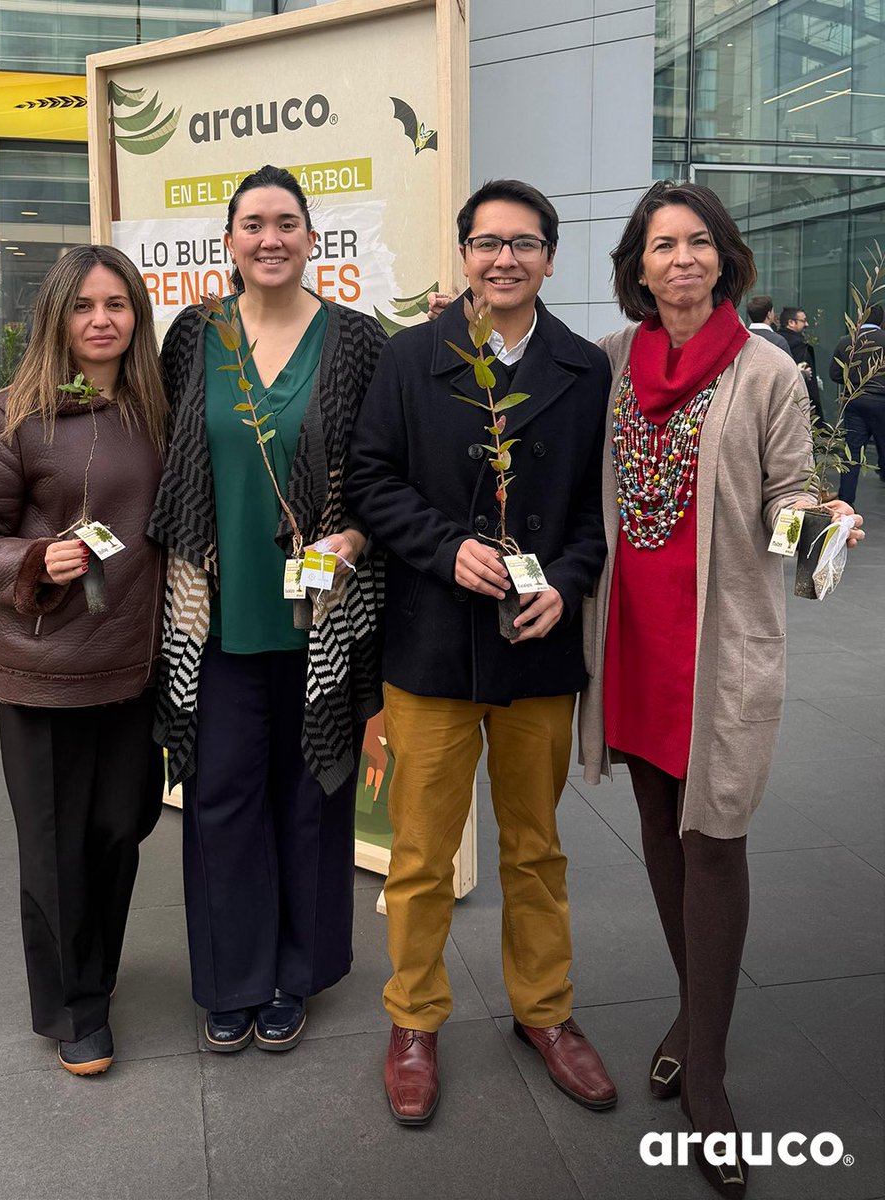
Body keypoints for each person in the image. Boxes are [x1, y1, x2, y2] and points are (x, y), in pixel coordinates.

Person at [579, 180, 864, 1197]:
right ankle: (697, 1014)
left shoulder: (768, 369)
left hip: (720, 639)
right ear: (638, 266)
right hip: (633, 638)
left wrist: (820, 524)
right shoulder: (611, 365)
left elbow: (789, 493)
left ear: (725, 258)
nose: (683, 260)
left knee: (717, 837)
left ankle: (706, 1066)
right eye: (664, 246)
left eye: (700, 243)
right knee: (661, 824)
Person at [346, 179, 616, 1125]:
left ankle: (546, 1012)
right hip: (430, 645)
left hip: (535, 651)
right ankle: (413, 1020)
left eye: (525, 243)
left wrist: (567, 583)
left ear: (551, 256)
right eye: (487, 242)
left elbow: (593, 515)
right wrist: (440, 545)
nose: (505, 258)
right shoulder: (412, 357)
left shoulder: (584, 369)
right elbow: (369, 479)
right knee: (419, 853)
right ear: (463, 253)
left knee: (536, 849)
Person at [149, 165, 385, 1056]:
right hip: (211, 617)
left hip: (319, 620)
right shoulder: (193, 337)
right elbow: (162, 447)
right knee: (220, 800)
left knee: (311, 795)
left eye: (287, 222)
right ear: (229, 242)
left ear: (313, 238)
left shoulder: (357, 341)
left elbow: (380, 470)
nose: (270, 237)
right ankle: (233, 978)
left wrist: (353, 541)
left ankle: (295, 973)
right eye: (253, 223)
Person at [0, 245, 169, 1076]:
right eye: (84, 305)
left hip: (136, 667)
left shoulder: (156, 410)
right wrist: (34, 564)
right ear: (56, 317)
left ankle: (95, 969)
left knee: (120, 829)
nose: (101, 319)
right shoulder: (10, 416)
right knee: (56, 846)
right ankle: (74, 1007)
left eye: (117, 304)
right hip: (45, 671)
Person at [830, 302, 885, 503]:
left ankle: (846, 498)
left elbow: (835, 373)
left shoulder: (846, 341)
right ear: (882, 320)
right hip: (881, 401)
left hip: (855, 401)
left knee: (851, 451)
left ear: (860, 319)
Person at [779, 305, 825, 425]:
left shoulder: (775, 340)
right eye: (803, 321)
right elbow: (809, 382)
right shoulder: (799, 345)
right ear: (791, 323)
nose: (807, 324)